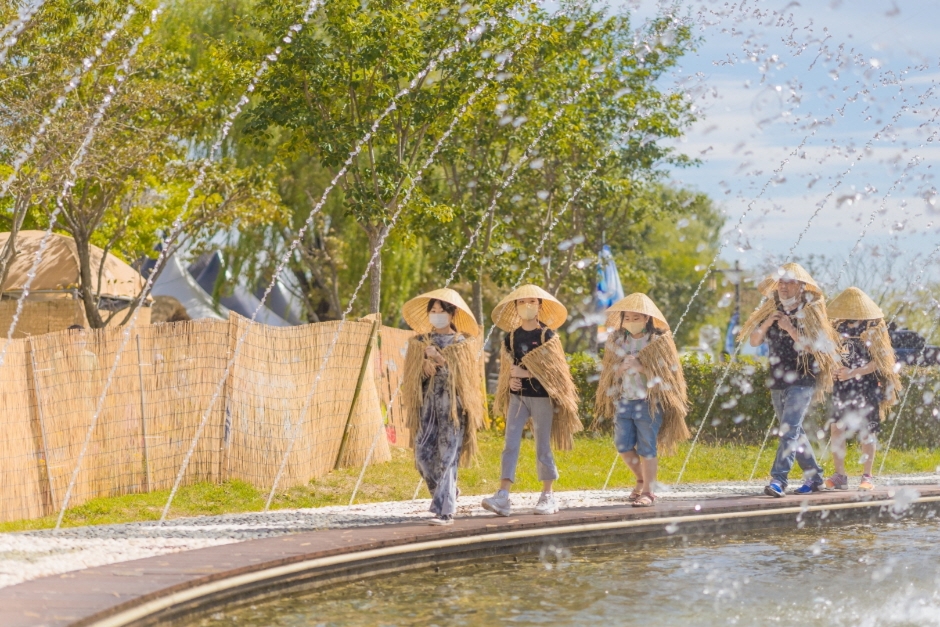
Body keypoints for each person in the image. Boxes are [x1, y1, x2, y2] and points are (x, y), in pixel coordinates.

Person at [740, 263, 841, 497]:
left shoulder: (811, 311)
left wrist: (789, 327)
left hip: (803, 378)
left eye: (790, 282)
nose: (784, 287)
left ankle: (779, 479)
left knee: (788, 429)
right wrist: (768, 323)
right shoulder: (771, 307)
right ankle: (815, 477)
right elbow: (754, 341)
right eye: (781, 282)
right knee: (795, 432)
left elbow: (817, 347)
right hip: (777, 378)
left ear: (801, 286)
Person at [482, 284, 580, 517]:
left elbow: (555, 371)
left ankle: (548, 495)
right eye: (522, 302)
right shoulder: (512, 336)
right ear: (516, 307)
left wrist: (526, 374)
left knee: (542, 446)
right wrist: (511, 382)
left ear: (539, 306)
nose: (527, 306)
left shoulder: (548, 336)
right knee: (510, 444)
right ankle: (503, 495)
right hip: (518, 398)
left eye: (532, 302)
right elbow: (509, 366)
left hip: (541, 399)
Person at [593, 293, 690, 507]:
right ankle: (640, 478)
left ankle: (648, 491)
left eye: (636, 318)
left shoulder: (657, 341)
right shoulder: (618, 340)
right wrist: (621, 368)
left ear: (646, 318)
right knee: (622, 445)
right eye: (627, 318)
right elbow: (610, 373)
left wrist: (641, 368)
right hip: (624, 399)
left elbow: (667, 377)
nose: (631, 322)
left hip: (649, 401)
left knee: (647, 447)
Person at [401, 289, 485, 526]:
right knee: (423, 455)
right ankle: (448, 493)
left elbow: (465, 380)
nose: (437, 315)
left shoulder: (462, 343)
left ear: (452, 314)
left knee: (447, 456)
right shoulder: (419, 343)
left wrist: (440, 361)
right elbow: (411, 378)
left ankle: (445, 512)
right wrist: (423, 369)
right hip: (428, 409)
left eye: (441, 311)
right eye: (433, 311)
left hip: (453, 410)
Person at [823, 287, 901, 491]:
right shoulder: (837, 326)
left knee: (868, 430)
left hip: (867, 386)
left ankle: (867, 476)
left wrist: (854, 372)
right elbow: (831, 353)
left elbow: (881, 361)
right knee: (837, 428)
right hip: (843, 386)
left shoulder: (874, 327)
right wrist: (833, 369)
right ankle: (840, 475)